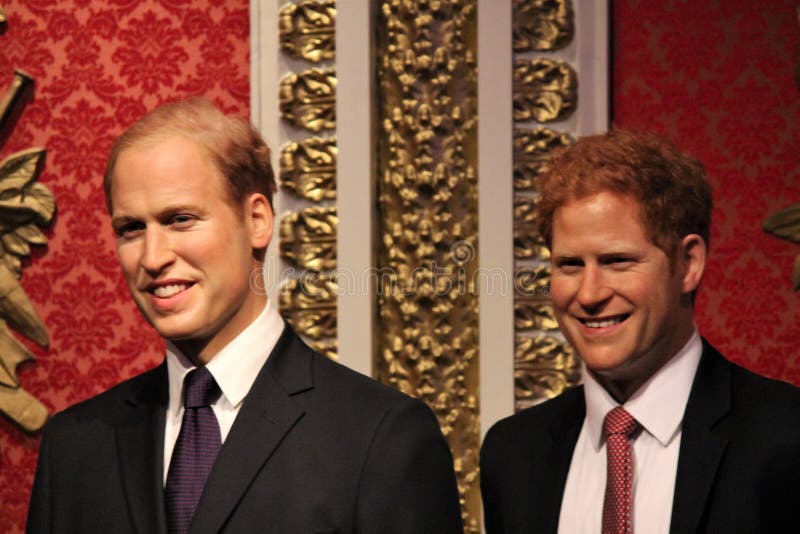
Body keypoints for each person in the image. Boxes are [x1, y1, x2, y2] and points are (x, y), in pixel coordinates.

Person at [27, 97, 463, 534]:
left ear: (257, 220)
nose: (153, 257)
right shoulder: (76, 445)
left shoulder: (380, 437)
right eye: (131, 229)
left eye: (180, 219)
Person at [480, 129, 800, 533]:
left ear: (688, 264)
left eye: (617, 261)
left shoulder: (785, 438)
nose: (589, 293)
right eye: (570, 265)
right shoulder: (513, 455)